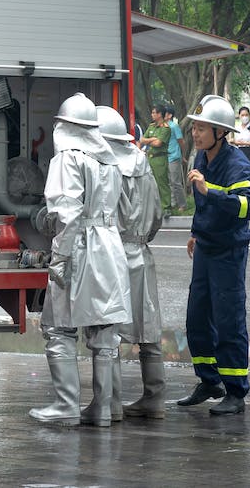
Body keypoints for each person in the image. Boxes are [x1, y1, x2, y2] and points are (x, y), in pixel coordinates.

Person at [29, 93, 130, 428]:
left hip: (80, 248)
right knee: (104, 332)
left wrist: (59, 257)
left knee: (59, 327)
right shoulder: (110, 160)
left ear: (65, 127)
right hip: (109, 247)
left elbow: (66, 214)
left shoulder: (68, 159)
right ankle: (103, 409)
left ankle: (66, 405)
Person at [177, 94, 250, 416]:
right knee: (197, 318)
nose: (195, 134)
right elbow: (204, 205)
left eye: (202, 128)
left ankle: (236, 392)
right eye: (194, 127)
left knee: (229, 320)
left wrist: (212, 190)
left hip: (229, 252)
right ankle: (209, 381)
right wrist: (196, 232)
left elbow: (248, 206)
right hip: (207, 248)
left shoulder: (237, 162)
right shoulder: (201, 159)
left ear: (220, 132)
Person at [97, 106, 166, 420]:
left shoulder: (104, 165)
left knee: (106, 331)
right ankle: (155, 398)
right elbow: (157, 216)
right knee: (148, 329)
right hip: (141, 251)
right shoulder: (143, 163)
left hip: (112, 254)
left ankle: (111, 405)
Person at [139, 104, 172, 215]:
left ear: (159, 114)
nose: (152, 115)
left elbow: (158, 144)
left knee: (162, 183)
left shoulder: (166, 128)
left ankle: (166, 207)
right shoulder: (151, 126)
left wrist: (150, 140)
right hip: (150, 158)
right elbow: (142, 139)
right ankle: (153, 207)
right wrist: (152, 139)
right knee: (149, 183)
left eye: (154, 113)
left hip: (160, 159)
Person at [165, 106, 187, 213]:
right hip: (164, 157)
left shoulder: (174, 126)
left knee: (175, 182)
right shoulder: (161, 126)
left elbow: (181, 141)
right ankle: (172, 204)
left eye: (164, 113)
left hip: (174, 157)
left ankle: (182, 204)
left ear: (169, 115)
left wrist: (183, 155)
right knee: (168, 182)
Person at [230, 106, 250, 184]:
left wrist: (243, 143)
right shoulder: (237, 128)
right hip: (239, 152)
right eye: (242, 115)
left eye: (246, 115)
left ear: (249, 115)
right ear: (239, 116)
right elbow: (235, 142)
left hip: (249, 151)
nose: (244, 117)